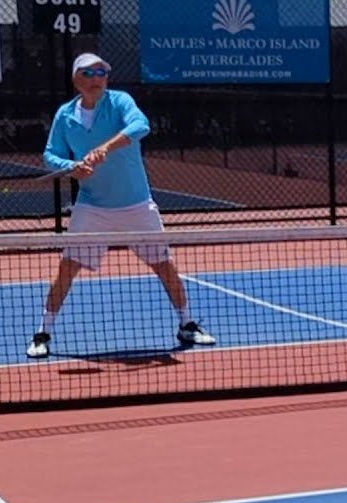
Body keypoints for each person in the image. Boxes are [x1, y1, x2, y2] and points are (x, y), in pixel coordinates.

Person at [26, 53, 215, 359]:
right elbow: (51, 155)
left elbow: (141, 126)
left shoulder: (120, 102)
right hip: (92, 207)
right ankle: (42, 333)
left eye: (102, 72)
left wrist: (106, 147)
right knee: (67, 269)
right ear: (77, 79)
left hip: (136, 204)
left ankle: (187, 324)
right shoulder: (65, 115)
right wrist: (73, 166)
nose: (97, 77)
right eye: (89, 72)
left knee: (163, 265)